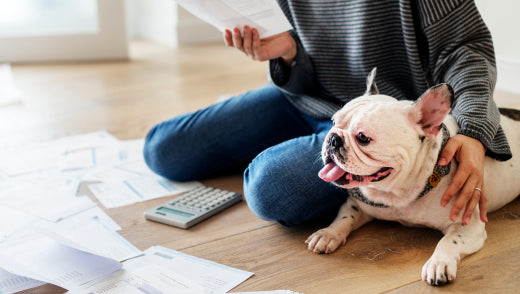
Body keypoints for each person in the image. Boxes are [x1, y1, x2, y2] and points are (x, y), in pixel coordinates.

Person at [143, 0, 512, 227]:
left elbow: (466, 48)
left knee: (269, 189)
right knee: (162, 149)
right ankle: (303, 148)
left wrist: (474, 128)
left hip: (385, 125)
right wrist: (287, 54)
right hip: (310, 102)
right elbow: (300, 70)